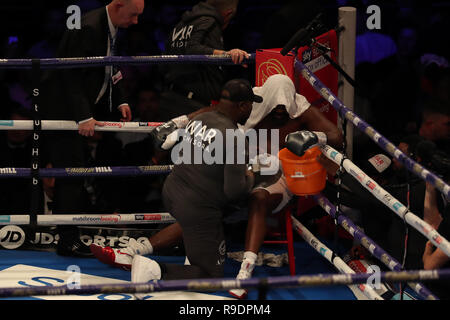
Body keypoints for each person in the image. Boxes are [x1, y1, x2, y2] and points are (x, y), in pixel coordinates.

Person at [90, 75, 343, 297]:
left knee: (257, 198)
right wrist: (177, 123)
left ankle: (244, 273)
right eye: (274, 112)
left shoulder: (301, 109)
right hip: (244, 169)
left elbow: (336, 136)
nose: (279, 116)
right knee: (205, 206)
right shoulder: (250, 102)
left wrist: (314, 137)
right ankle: (138, 250)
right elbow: (209, 112)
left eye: (283, 113)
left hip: (277, 174)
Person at [130, 78, 260, 285]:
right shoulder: (234, 137)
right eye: (251, 106)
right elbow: (235, 192)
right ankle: (154, 270)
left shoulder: (202, 117)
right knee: (210, 276)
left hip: (172, 191)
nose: (251, 111)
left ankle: (196, 251)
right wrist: (252, 173)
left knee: (205, 225)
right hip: (196, 207)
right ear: (242, 106)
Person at [40, 0, 144, 256]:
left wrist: (119, 99)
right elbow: (70, 73)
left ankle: (69, 237)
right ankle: (67, 240)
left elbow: (110, 64)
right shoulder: (88, 27)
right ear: (118, 6)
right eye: (133, 15)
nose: (135, 21)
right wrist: (83, 116)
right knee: (71, 175)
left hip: (74, 112)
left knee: (76, 173)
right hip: (62, 112)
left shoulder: (108, 25)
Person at [158, 0, 250, 121]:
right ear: (228, 14)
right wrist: (226, 54)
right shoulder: (209, 21)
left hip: (171, 98)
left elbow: (165, 60)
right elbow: (193, 49)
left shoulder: (181, 24)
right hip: (191, 104)